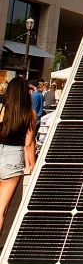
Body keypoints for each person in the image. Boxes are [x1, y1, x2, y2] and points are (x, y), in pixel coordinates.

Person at [0, 78, 36, 231]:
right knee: (1, 208)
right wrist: (33, 166)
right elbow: (29, 144)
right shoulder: (29, 114)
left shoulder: (1, 108)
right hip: (13, 156)